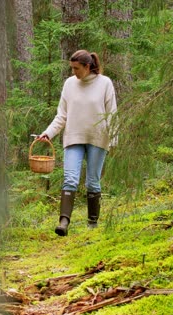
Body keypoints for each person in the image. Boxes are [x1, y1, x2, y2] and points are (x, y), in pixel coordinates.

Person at [37, 49, 117, 236]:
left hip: (98, 138)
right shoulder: (69, 84)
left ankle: (92, 223)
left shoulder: (104, 83)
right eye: (71, 68)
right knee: (70, 179)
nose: (73, 72)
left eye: (76, 68)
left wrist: (114, 140)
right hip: (73, 137)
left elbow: (112, 114)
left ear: (87, 66)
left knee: (92, 182)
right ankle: (64, 222)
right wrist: (48, 133)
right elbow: (62, 115)